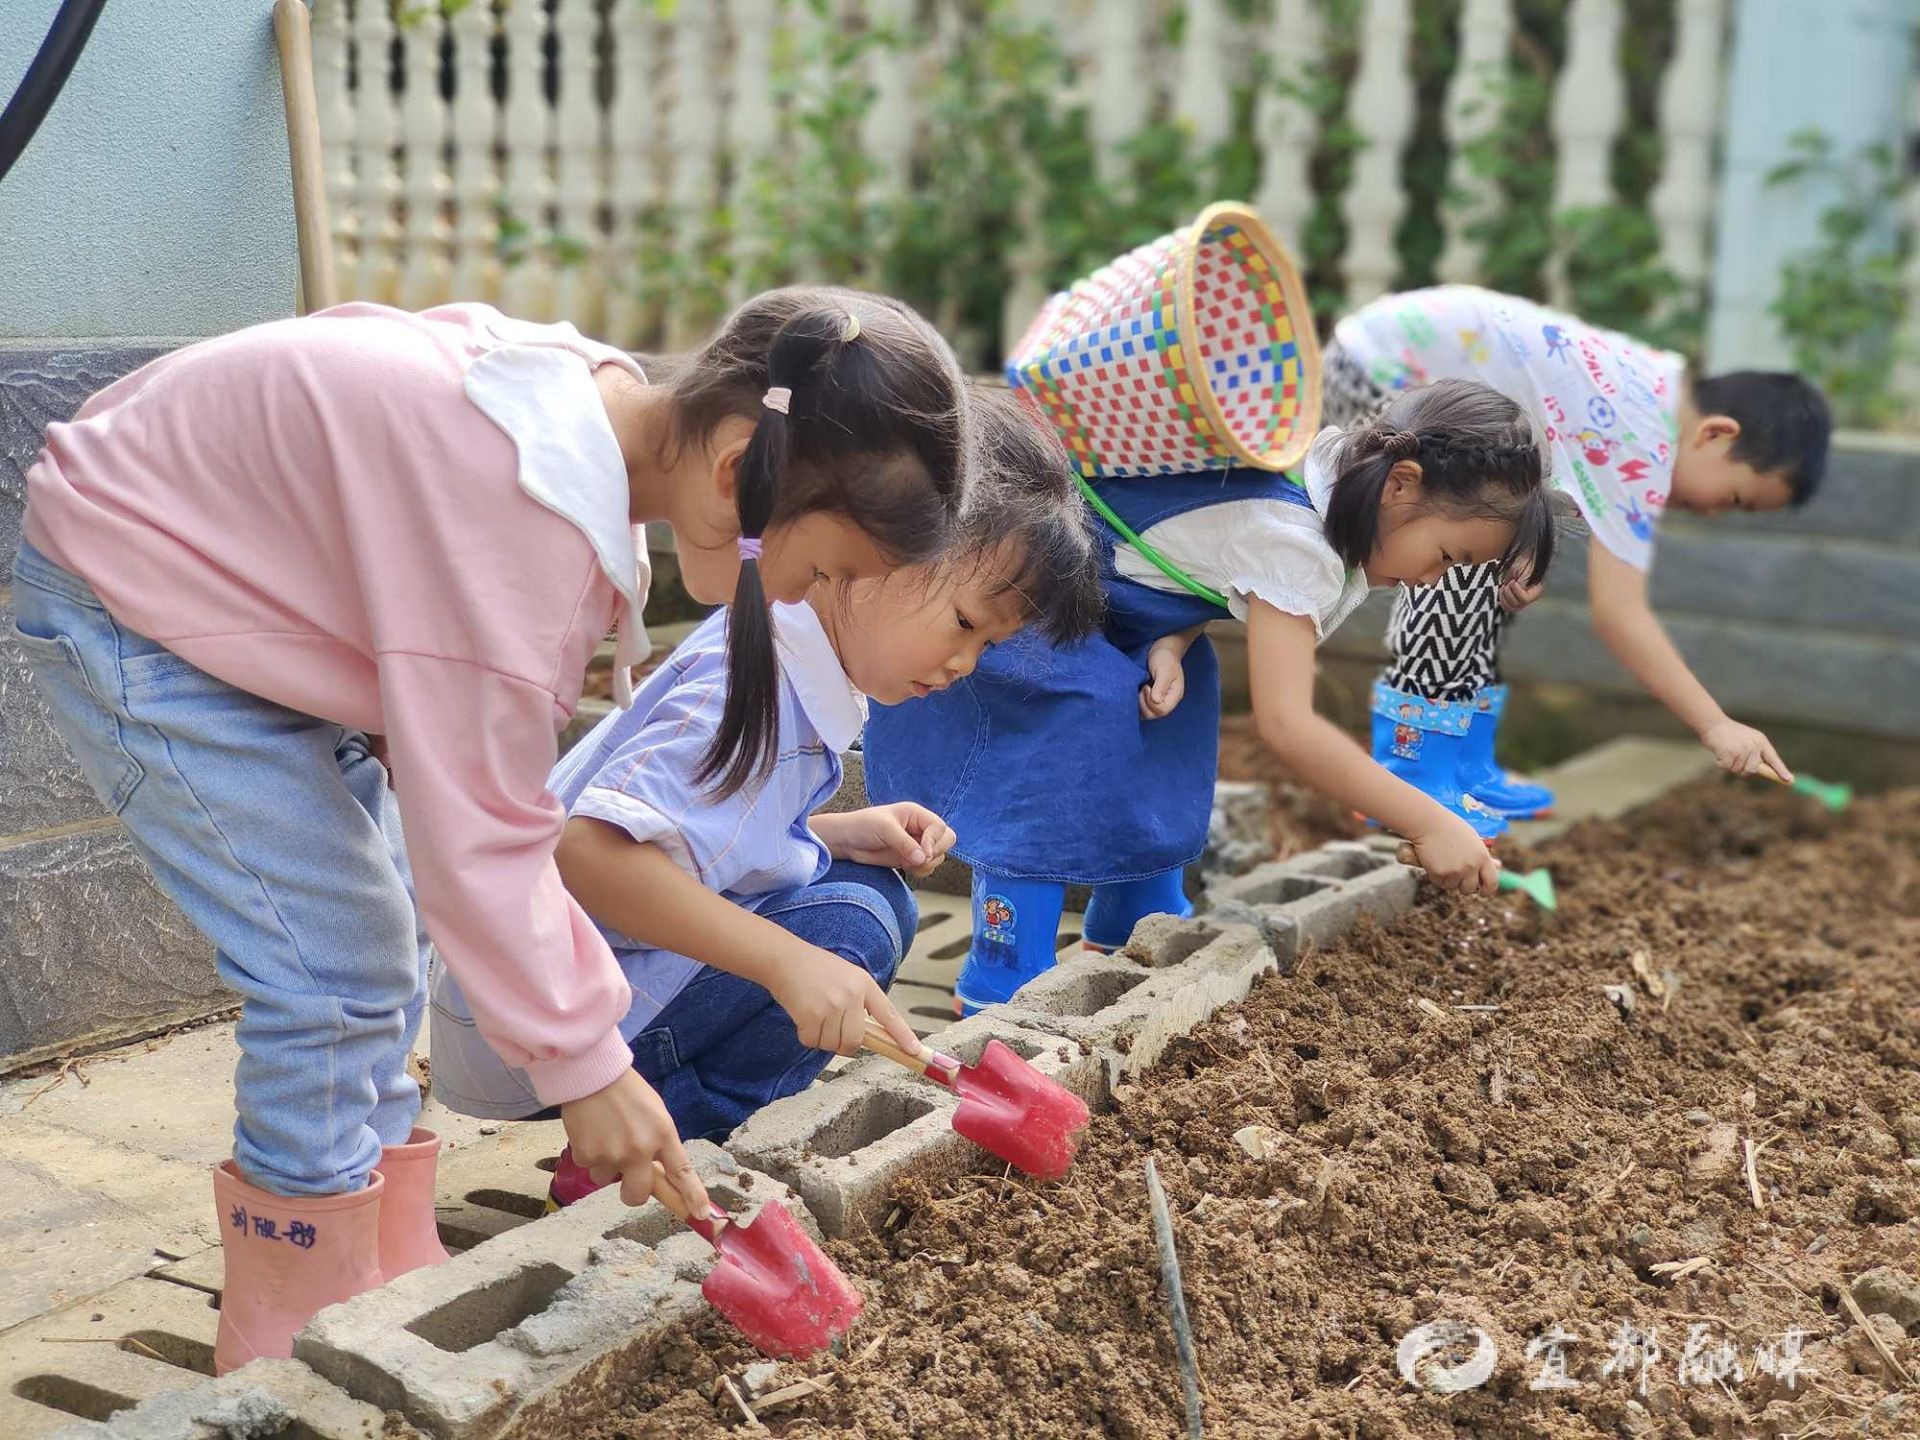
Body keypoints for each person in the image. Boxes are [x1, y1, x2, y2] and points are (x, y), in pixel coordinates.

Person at [10, 287, 972, 1371]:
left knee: (383, 934)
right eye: (825, 568)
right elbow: (485, 841)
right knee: (333, 970)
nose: (809, 597)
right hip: (140, 591)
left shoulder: (598, 414)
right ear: (736, 469)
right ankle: (290, 1317)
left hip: (232, 568)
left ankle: (379, 1240)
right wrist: (589, 1069)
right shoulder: (522, 528)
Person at [427, 386, 1105, 1207]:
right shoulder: (754, 694)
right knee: (848, 930)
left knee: (870, 893)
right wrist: (786, 963)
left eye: (988, 646)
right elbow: (587, 853)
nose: (965, 663)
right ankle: (653, 1152)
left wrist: (832, 832)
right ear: (876, 549)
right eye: (965, 622)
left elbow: (699, 830)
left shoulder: (779, 644)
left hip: (547, 989)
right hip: (540, 1027)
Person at [866, 377, 1554, 1014]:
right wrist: (1430, 823)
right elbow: (1287, 726)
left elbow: (1203, 554)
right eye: (1448, 557)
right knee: (1069, 745)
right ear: (1402, 484)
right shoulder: (1297, 542)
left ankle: (1135, 918)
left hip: (1115, 609)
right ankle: (1004, 972)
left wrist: (1174, 638)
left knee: (1178, 714)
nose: (1434, 580)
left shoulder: (1323, 466)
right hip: (1035, 603)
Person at [1323, 285, 1831, 828]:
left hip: (1396, 359)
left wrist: (1521, 546)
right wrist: (1715, 724)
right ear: (1716, 434)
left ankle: (1463, 765)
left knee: (1487, 560)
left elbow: (1534, 462)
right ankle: (1413, 776)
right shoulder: (1643, 438)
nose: (1713, 514)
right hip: (1379, 369)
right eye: (1733, 499)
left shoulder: (1649, 394)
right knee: (1461, 568)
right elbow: (1620, 616)